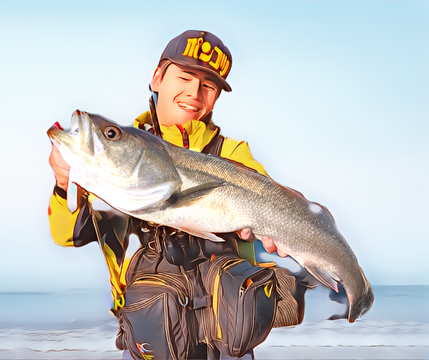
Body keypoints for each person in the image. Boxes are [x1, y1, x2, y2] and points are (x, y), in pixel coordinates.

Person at [48, 30, 306, 360]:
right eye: (184, 77)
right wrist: (63, 183)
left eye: (208, 85)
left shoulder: (233, 153)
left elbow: (270, 204)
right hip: (153, 334)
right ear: (157, 77)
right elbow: (69, 234)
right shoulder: (121, 155)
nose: (194, 93)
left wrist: (270, 231)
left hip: (226, 334)